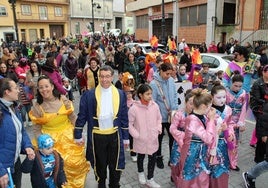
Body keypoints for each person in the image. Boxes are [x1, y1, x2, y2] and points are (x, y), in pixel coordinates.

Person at [29, 75, 89, 188]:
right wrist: (43, 145)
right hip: (50, 141)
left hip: (68, 137)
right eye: (40, 87)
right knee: (56, 168)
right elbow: (36, 128)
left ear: (52, 86)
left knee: (74, 163)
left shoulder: (63, 99)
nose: (44, 89)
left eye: (46, 86)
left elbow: (73, 117)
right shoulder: (37, 107)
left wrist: (79, 134)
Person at [74, 65, 129, 188]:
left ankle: (115, 185)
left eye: (107, 76)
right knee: (100, 166)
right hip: (97, 136)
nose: (104, 80)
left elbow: (124, 117)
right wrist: (77, 134)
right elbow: (82, 116)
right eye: (102, 76)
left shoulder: (120, 94)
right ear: (99, 77)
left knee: (115, 166)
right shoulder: (89, 95)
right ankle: (101, 184)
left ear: (112, 77)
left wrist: (126, 137)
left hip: (115, 135)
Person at [178, 88, 216, 188]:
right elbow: (208, 138)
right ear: (203, 106)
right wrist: (211, 120)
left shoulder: (202, 116)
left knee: (201, 178)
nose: (211, 109)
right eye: (210, 106)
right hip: (191, 155)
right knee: (190, 179)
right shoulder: (192, 120)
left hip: (199, 153)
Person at [0, 78, 35, 188]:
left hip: (14, 163)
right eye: (15, 88)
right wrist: (1, 171)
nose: (18, 90)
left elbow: (21, 131)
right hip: (3, 169)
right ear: (7, 92)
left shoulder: (14, 107)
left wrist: (27, 146)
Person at [128, 84, 162, 187]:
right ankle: (140, 172)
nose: (150, 96)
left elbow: (159, 118)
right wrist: (137, 135)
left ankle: (150, 179)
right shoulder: (134, 109)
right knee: (141, 157)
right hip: (140, 139)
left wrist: (158, 129)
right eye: (147, 94)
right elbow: (129, 124)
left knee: (152, 159)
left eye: (151, 93)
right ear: (140, 95)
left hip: (153, 138)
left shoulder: (155, 106)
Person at [150, 63, 178, 169]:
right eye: (167, 73)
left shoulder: (171, 81)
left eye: (170, 74)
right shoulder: (153, 84)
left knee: (172, 138)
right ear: (161, 71)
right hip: (161, 117)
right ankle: (158, 157)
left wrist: (174, 109)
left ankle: (172, 158)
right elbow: (152, 102)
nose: (169, 76)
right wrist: (157, 115)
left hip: (171, 115)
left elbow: (175, 95)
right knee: (159, 138)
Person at [209, 83, 235, 188]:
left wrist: (231, 133)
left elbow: (231, 123)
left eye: (224, 97)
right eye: (218, 97)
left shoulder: (228, 109)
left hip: (224, 143)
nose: (222, 100)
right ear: (212, 97)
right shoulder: (209, 110)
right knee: (212, 168)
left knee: (223, 168)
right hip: (212, 144)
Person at [169, 90, 194, 186]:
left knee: (188, 163)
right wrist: (183, 136)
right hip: (180, 143)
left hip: (192, 144)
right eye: (191, 103)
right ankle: (175, 178)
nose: (193, 106)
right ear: (185, 102)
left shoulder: (198, 115)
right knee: (176, 162)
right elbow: (172, 129)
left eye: (195, 104)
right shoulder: (180, 114)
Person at [226, 71, 247, 171]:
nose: (238, 88)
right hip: (226, 122)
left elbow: (244, 109)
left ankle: (233, 163)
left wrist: (241, 122)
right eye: (235, 85)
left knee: (235, 143)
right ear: (231, 83)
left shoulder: (244, 94)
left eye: (240, 86)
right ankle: (224, 161)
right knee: (225, 142)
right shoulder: (225, 92)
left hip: (237, 123)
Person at [249, 64, 268, 163]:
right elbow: (256, 99)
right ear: (264, 72)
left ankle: (264, 155)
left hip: (266, 111)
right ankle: (259, 158)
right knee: (262, 135)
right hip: (260, 111)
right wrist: (265, 100)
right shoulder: (258, 83)